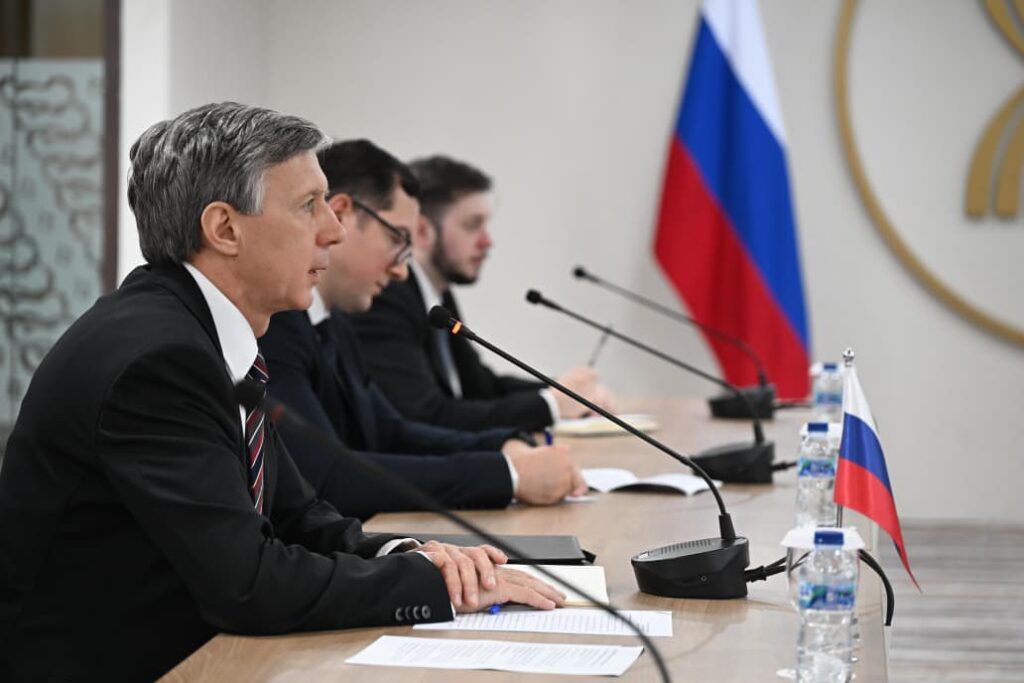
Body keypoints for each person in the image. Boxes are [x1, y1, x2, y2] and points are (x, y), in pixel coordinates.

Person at [0, 104, 564, 682]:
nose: (334, 230)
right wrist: (428, 585)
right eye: (308, 205)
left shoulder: (200, 331)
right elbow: (249, 584)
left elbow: (298, 516)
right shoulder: (159, 360)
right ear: (225, 229)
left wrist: (414, 555)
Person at [260, 140, 585, 518]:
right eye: (397, 240)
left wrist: (502, 446)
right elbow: (329, 479)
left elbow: (391, 431)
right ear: (342, 216)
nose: (402, 271)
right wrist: (508, 475)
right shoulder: (276, 326)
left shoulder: (335, 322)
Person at [351, 155, 614, 432]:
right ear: (424, 231)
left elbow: (480, 386)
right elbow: (426, 414)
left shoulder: (437, 295)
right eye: (472, 225)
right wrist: (550, 405)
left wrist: (566, 393)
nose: (487, 241)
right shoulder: (388, 297)